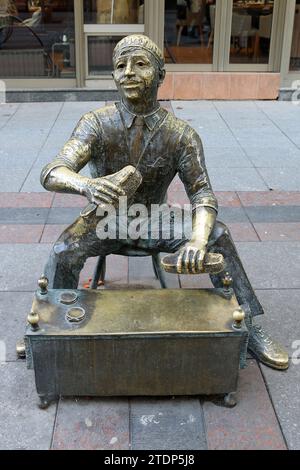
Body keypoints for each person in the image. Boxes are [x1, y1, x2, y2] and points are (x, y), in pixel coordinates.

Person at [40, 34, 288, 371]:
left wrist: (199, 240)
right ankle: (48, 326)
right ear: (113, 76)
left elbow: (202, 193)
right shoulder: (96, 123)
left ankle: (249, 324)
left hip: (154, 216)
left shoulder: (181, 134)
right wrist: (86, 184)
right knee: (63, 250)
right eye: (120, 66)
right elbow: (53, 171)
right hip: (105, 218)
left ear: (160, 75)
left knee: (220, 235)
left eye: (140, 64)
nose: (128, 72)